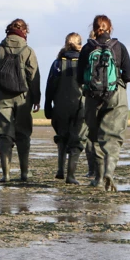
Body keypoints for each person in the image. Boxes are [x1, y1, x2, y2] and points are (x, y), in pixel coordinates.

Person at [76, 15, 130, 191]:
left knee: (94, 138)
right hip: (116, 96)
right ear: (110, 28)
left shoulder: (87, 48)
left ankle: (99, 179)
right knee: (113, 138)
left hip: (93, 97)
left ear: (93, 29)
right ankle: (110, 172)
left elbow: (79, 78)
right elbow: (129, 75)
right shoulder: (119, 47)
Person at [0, 19, 41, 182]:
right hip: (23, 97)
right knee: (23, 134)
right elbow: (34, 77)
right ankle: (24, 173)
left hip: (0, 97)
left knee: (4, 135)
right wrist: (36, 98)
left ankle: (6, 175)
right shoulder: (28, 51)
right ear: (25, 32)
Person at [44, 33, 88, 184]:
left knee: (62, 138)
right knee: (77, 140)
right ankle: (71, 176)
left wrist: (47, 106)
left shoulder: (57, 63)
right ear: (80, 45)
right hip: (80, 105)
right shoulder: (85, 62)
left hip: (60, 106)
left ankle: (60, 170)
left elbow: (50, 87)